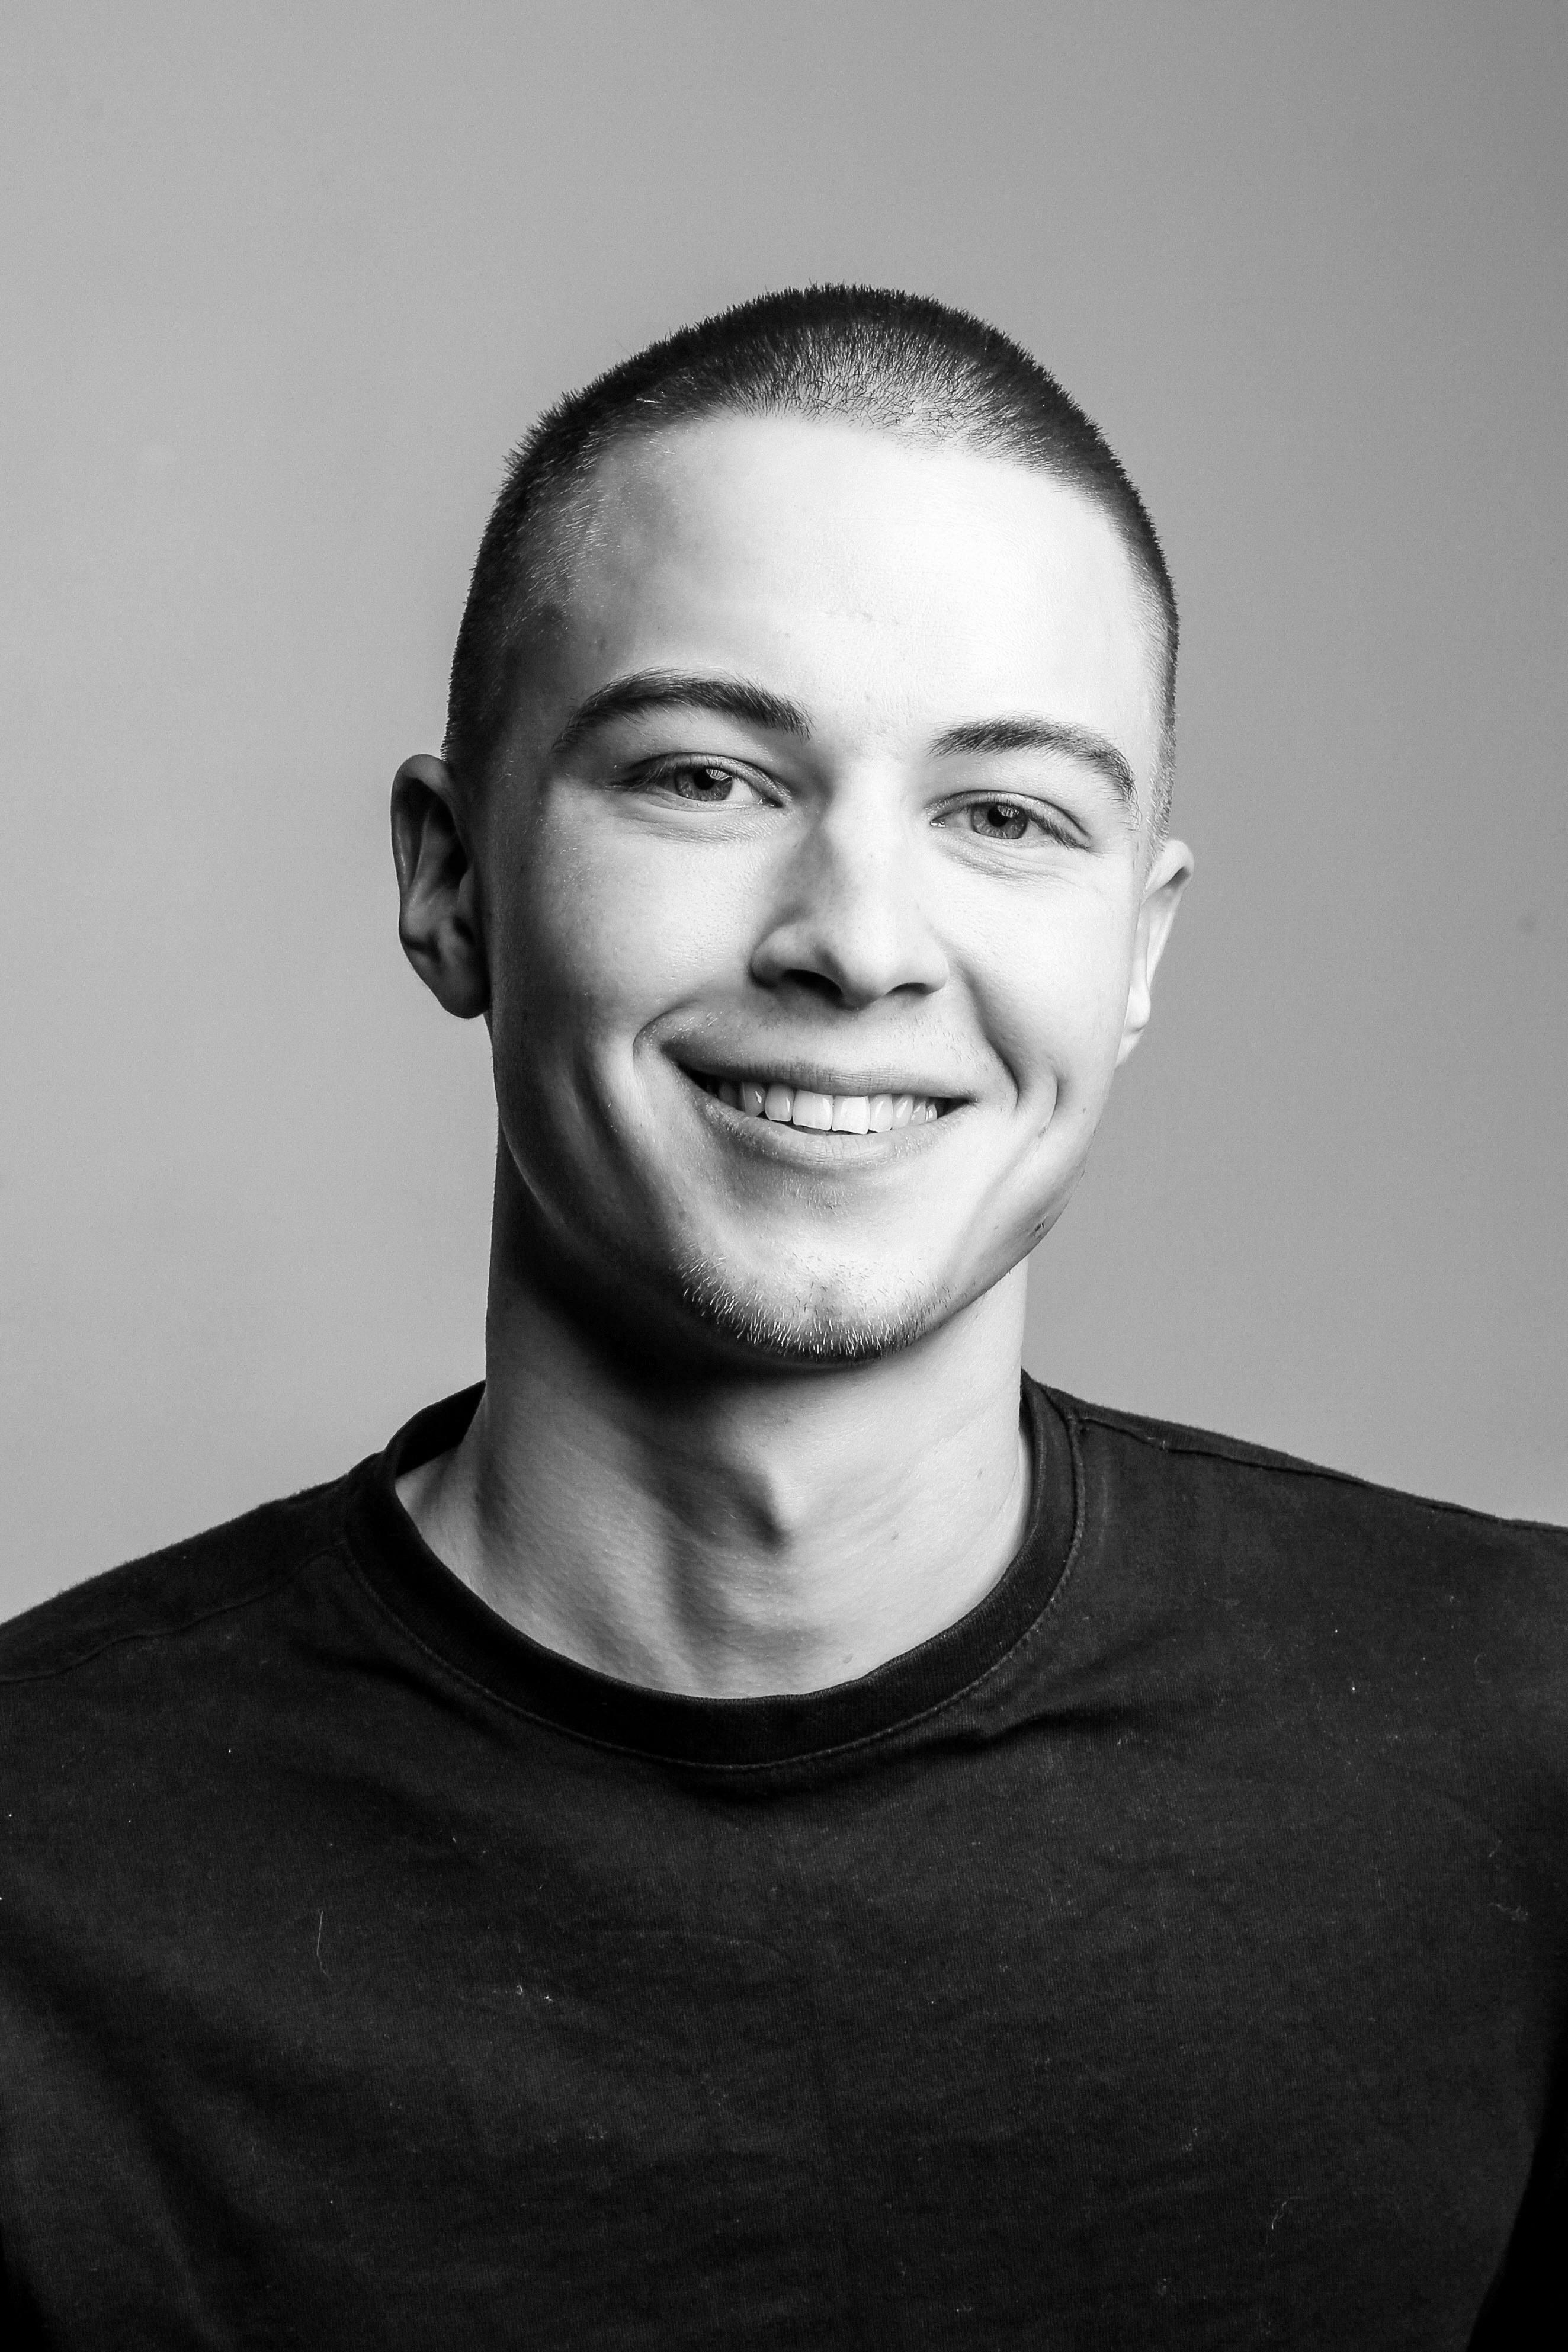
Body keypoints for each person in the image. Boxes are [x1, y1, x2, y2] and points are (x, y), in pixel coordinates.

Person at [1, 287, 1561, 2350]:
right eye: (710, 776)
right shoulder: (42, 1878)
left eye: (1007, 814)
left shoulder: (1524, 1753)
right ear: (452, 882)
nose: (859, 941)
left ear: (1137, 950)